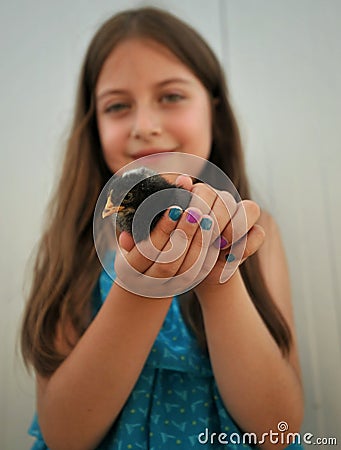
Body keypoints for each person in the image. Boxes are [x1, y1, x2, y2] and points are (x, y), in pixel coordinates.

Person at [21, 7, 304, 450]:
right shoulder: (71, 244)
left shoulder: (254, 234)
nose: (145, 126)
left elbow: (278, 430)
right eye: (117, 106)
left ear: (213, 107)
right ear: (93, 126)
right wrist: (139, 289)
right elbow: (65, 436)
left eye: (171, 96)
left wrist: (217, 276)